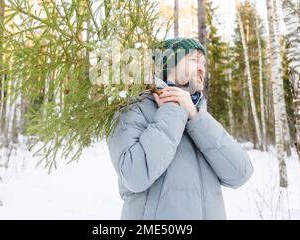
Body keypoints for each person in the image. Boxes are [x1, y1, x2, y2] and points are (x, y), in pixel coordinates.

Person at [107, 37, 253, 219]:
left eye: (203, 62)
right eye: (194, 60)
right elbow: (135, 175)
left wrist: (195, 117)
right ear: (169, 64)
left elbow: (241, 173)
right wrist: (173, 109)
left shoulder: (197, 114)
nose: (202, 68)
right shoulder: (133, 108)